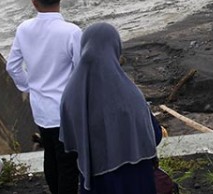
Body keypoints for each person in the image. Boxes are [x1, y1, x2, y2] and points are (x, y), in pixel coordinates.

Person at [60, 22, 163, 193]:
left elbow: (69, 143)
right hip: (136, 180)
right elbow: (155, 136)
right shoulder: (129, 94)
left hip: (96, 182)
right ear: (116, 47)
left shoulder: (71, 94)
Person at [6, 0, 82, 194]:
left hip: (40, 108)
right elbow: (81, 71)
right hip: (66, 110)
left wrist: (29, 86)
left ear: (33, 0)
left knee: (50, 155)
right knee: (68, 163)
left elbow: (12, 66)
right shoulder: (72, 32)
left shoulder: (23, 29)